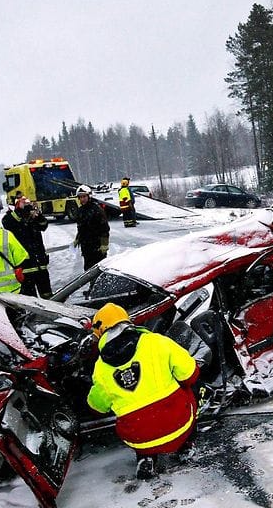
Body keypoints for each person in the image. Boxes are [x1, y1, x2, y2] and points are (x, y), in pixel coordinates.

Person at [86, 303, 200, 480]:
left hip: (140, 440)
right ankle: (186, 445)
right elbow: (191, 374)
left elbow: (97, 407)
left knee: (132, 418)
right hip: (179, 426)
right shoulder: (157, 342)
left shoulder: (100, 368)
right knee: (187, 389)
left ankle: (146, 457)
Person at [1, 195, 52, 298]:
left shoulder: (33, 219)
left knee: (48, 296)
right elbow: (7, 223)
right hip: (25, 269)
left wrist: (38, 215)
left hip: (40, 265)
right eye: (25, 204)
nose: (28, 208)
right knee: (30, 299)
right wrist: (19, 212)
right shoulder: (12, 219)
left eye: (28, 205)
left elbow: (44, 225)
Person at [74, 185, 110, 270]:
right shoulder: (80, 211)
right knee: (88, 270)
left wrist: (104, 244)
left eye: (84, 196)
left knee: (99, 270)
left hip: (97, 247)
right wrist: (77, 238)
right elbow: (81, 227)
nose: (82, 199)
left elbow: (104, 228)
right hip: (86, 247)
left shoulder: (96, 209)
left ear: (89, 196)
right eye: (80, 197)